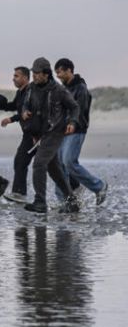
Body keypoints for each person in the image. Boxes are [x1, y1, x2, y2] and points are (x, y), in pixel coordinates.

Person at [20, 58, 81, 214]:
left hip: (55, 132)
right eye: (33, 72)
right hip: (39, 133)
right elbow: (25, 104)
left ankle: (40, 202)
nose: (34, 75)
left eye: (37, 73)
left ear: (46, 74)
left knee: (39, 164)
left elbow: (74, 107)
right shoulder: (31, 88)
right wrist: (24, 111)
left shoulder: (59, 90)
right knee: (54, 169)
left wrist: (72, 122)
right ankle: (72, 202)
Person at [55, 58, 108, 205]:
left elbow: (80, 110)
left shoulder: (81, 88)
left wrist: (72, 123)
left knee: (69, 162)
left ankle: (99, 186)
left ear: (69, 70)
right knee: (59, 166)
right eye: (56, 73)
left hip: (76, 130)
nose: (58, 76)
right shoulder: (63, 89)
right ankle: (65, 200)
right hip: (61, 132)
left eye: (59, 72)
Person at [0, 66, 34, 204]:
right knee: (20, 161)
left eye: (16, 76)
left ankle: (19, 193)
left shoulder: (31, 91)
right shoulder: (21, 92)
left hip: (36, 133)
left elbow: (29, 111)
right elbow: (13, 106)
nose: (13, 79)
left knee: (23, 161)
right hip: (29, 133)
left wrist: (11, 119)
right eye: (14, 76)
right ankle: (19, 193)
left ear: (25, 77)